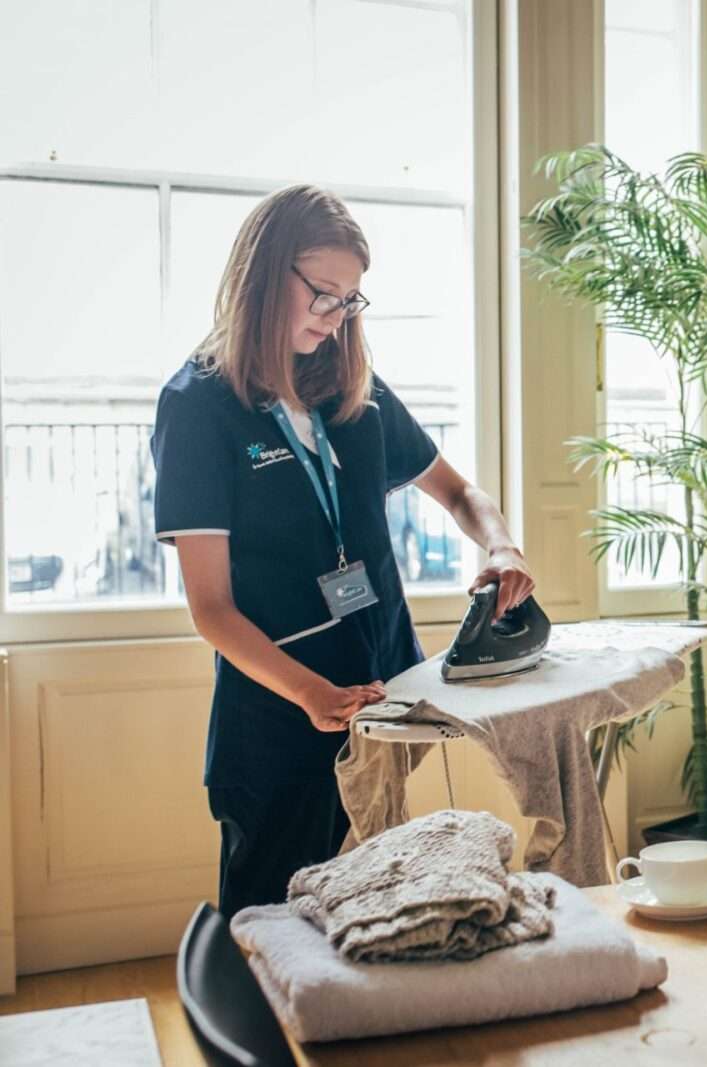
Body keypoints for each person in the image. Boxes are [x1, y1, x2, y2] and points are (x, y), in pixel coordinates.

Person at [151, 185, 535, 918]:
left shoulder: (351, 386)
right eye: (322, 294)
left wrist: (501, 544)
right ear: (263, 275)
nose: (334, 318)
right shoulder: (199, 406)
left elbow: (461, 494)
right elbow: (212, 609)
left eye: (350, 300)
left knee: (366, 928)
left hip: (379, 709)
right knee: (274, 936)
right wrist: (309, 694)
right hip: (278, 723)